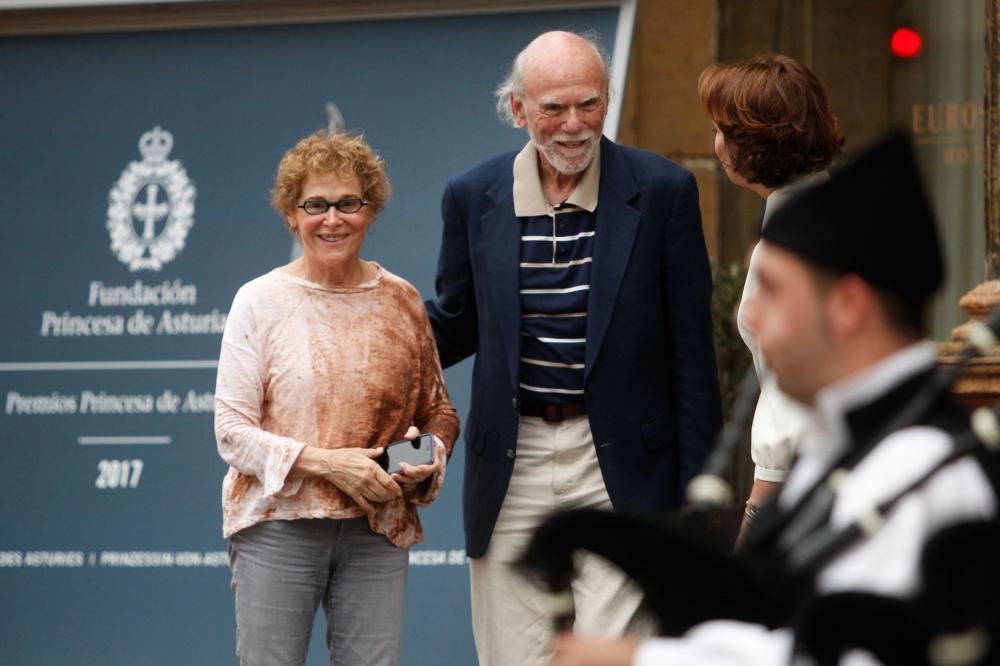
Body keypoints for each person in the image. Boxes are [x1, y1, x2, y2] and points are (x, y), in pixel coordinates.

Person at [544, 131, 999, 665]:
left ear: (848, 305)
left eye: (774, 291)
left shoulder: (916, 466)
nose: (752, 317)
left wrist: (643, 660)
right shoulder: (842, 448)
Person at [424, 30, 723, 666]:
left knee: (616, 655)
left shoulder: (663, 191)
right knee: (513, 655)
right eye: (553, 108)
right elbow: (454, 324)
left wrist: (700, 500)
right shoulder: (474, 197)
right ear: (518, 109)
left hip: (623, 469)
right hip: (513, 462)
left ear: (608, 99)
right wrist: (366, 324)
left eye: (589, 105)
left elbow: (692, 360)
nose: (573, 125)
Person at [214, 130, 459, 666]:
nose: (333, 219)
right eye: (316, 205)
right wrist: (331, 466)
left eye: (349, 203)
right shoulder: (258, 301)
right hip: (279, 524)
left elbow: (438, 412)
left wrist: (422, 460)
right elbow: (232, 432)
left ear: (370, 211)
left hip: (377, 528)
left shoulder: (401, 299)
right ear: (290, 214)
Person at [697, 54, 845, 542]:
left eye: (723, 129)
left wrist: (757, 517)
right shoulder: (839, 217)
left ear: (755, 143)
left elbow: (788, 406)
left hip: (807, 493)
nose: (715, 144)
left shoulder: (786, 250)